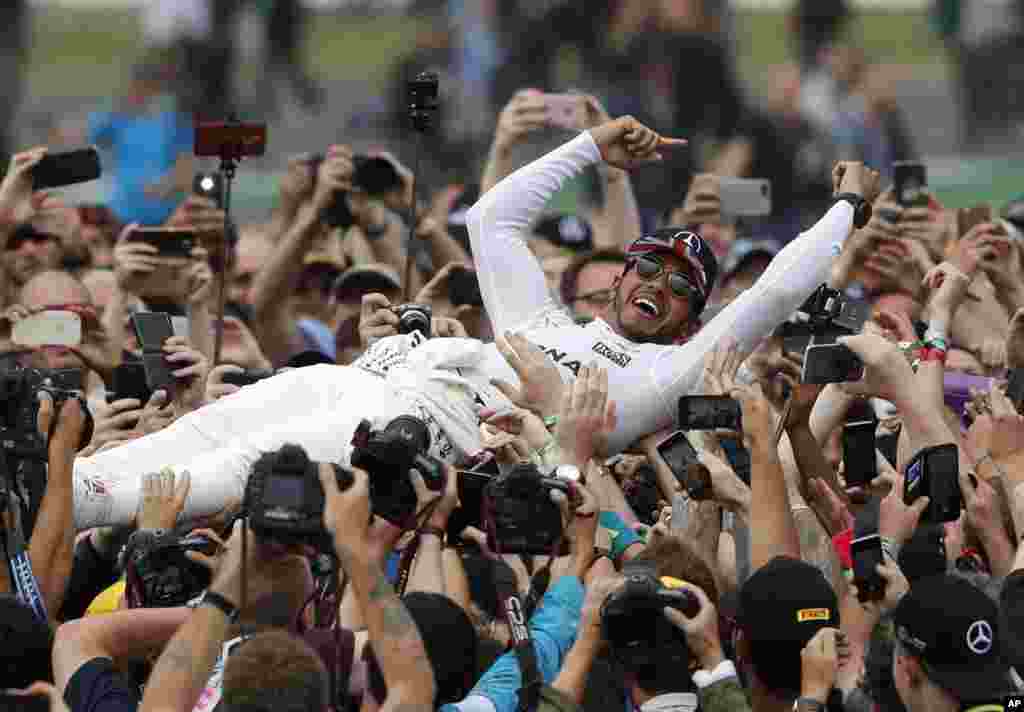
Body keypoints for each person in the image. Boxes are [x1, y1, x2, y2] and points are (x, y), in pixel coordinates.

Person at [68, 116, 879, 530]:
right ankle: (47, 494)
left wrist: (847, 205)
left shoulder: (662, 378)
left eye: (681, 289)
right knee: (188, 438)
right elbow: (492, 219)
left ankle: (64, 506)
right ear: (621, 274)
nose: (660, 286)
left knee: (223, 472)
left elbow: (771, 295)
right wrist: (592, 144)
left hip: (411, 426)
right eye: (651, 267)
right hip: (357, 378)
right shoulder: (544, 319)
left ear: (687, 323)